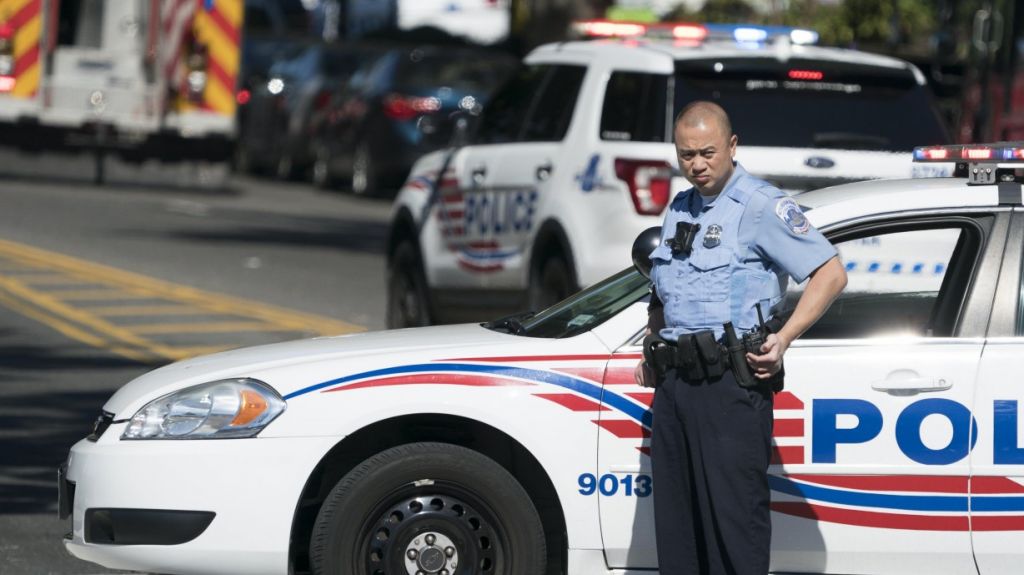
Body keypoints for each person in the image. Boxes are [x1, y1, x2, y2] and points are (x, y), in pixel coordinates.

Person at [635, 101, 847, 575]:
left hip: (730, 386)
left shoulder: (761, 205)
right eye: (686, 154)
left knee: (734, 527)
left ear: (732, 146)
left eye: (707, 152)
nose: (697, 164)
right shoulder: (679, 207)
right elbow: (661, 294)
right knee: (678, 530)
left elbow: (830, 273)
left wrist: (784, 338)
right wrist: (652, 343)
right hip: (674, 389)